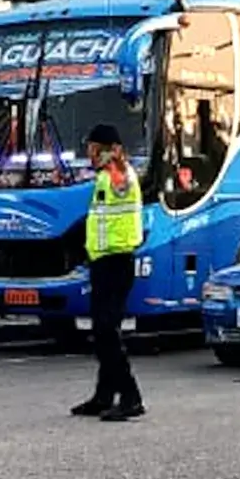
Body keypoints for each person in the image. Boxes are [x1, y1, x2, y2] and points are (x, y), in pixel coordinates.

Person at [71, 123, 145, 422]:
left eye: (93, 148)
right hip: (102, 263)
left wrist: (114, 160)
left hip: (117, 263)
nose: (88, 154)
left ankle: (131, 396)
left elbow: (122, 181)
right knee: (102, 331)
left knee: (106, 330)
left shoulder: (120, 175)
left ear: (107, 149)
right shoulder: (102, 178)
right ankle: (104, 396)